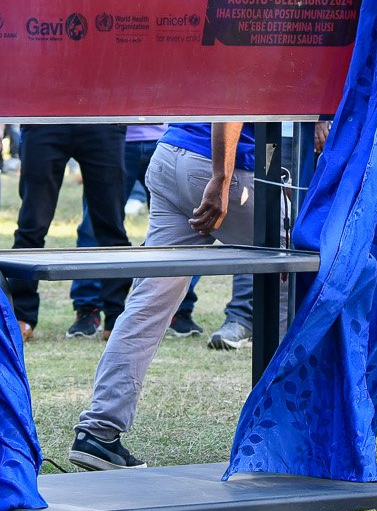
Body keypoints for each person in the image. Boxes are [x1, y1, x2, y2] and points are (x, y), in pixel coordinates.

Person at [69, 123, 255, 470]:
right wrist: (221, 177)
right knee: (307, 274)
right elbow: (229, 103)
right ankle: (315, 422)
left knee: (147, 304)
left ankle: (99, 432)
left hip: (171, 155)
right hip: (216, 165)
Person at [4, 121, 130, 339]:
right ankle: (22, 315)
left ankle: (115, 314)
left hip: (102, 117)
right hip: (43, 117)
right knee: (32, 226)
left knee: (111, 228)